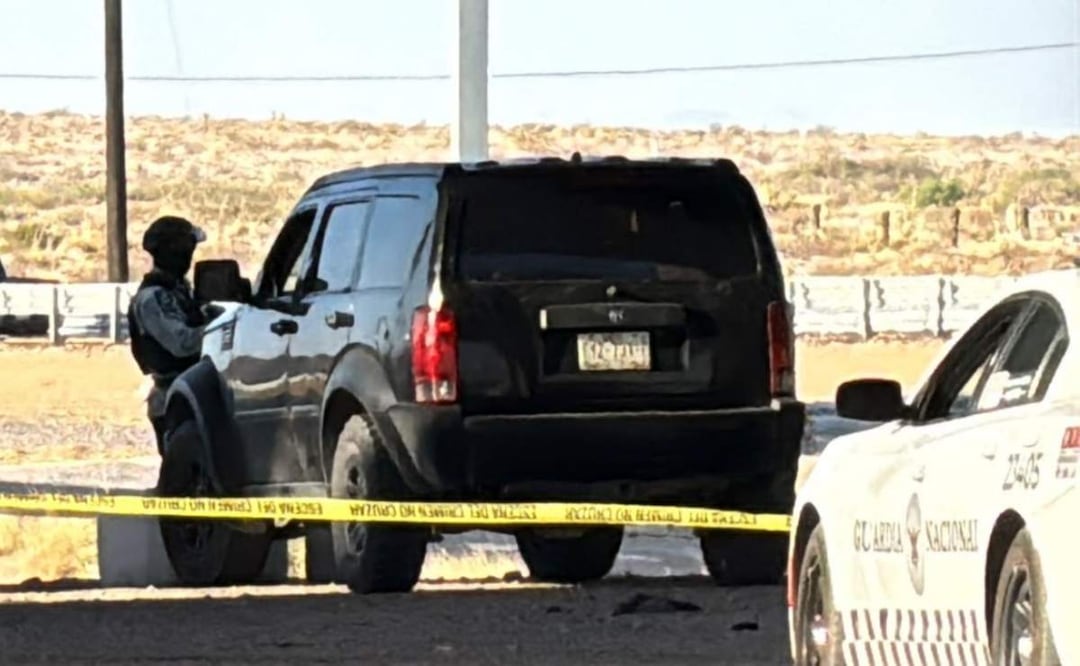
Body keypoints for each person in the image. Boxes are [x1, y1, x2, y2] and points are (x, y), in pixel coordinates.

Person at [127, 215, 214, 454]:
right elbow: (182, 343)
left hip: (187, 390)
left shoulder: (177, 290)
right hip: (172, 398)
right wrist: (220, 328)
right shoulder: (153, 298)